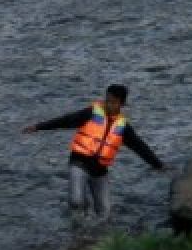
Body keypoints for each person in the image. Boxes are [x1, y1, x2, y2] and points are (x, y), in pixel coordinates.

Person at [22, 84, 167, 219]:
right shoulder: (91, 113)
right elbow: (65, 120)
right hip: (79, 163)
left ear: (122, 104)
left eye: (113, 102)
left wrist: (158, 165)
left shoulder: (123, 127)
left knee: (105, 214)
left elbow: (139, 146)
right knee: (76, 201)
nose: (109, 105)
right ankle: (77, 231)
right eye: (107, 100)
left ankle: (95, 238)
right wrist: (39, 126)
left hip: (100, 172)